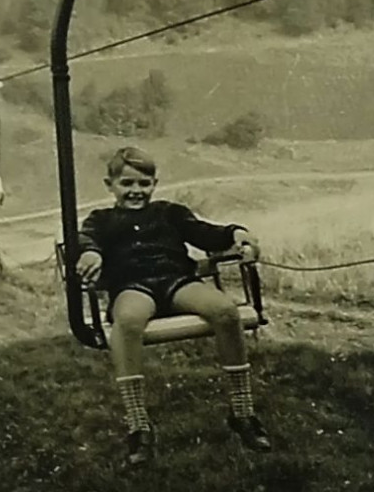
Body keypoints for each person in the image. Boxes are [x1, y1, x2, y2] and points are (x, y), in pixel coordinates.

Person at [76, 146, 271, 467]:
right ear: (109, 185)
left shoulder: (169, 212)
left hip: (176, 282)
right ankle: (139, 425)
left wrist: (237, 233)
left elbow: (206, 233)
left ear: (154, 184)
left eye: (143, 184)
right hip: (134, 286)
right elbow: (87, 240)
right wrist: (91, 254)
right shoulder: (102, 220)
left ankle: (242, 411)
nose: (136, 191)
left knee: (225, 311)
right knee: (127, 320)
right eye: (126, 184)